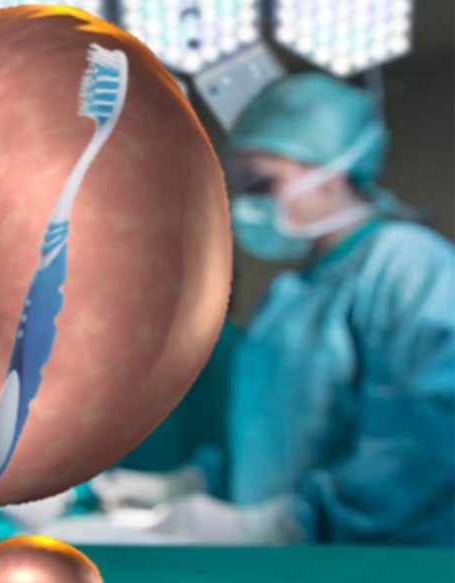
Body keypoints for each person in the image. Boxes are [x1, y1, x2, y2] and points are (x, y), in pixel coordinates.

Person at [147, 72, 454, 545]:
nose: (245, 202)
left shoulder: (406, 265)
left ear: (331, 176)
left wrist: (292, 522)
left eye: (261, 182)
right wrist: (185, 485)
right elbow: (267, 440)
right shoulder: (288, 294)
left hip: (385, 567)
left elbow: (423, 449)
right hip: (289, 567)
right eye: (238, 185)